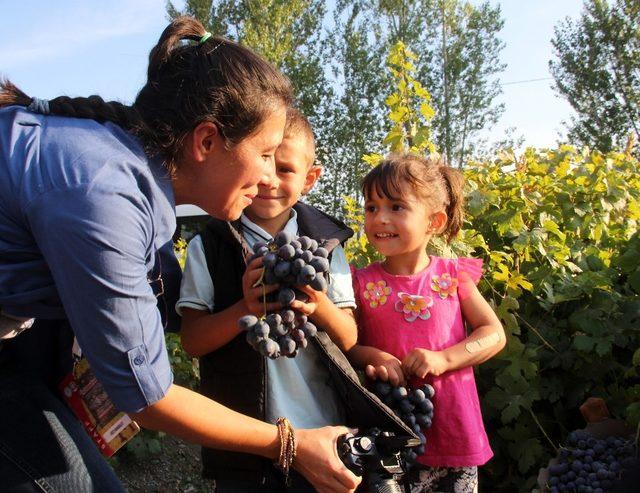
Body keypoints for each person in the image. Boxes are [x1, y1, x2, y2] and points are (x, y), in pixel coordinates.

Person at [0, 16, 361, 493]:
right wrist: (288, 444)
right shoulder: (102, 195)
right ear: (206, 141)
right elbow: (147, 397)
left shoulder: (133, 178)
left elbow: (162, 303)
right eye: (266, 153)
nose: (270, 176)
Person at [177, 108, 412, 492]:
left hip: (325, 436)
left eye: (285, 170)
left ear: (310, 178)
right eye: (264, 164)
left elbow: (348, 338)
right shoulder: (210, 245)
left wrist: (319, 305)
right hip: (245, 448)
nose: (270, 181)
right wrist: (245, 308)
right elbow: (192, 340)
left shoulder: (328, 245)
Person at [347, 154, 506, 493]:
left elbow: (493, 334)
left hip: (454, 434)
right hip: (391, 435)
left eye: (396, 207)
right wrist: (374, 356)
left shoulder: (453, 276)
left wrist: (443, 359)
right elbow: (349, 346)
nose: (380, 218)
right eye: (371, 208)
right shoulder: (360, 284)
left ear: (434, 221)